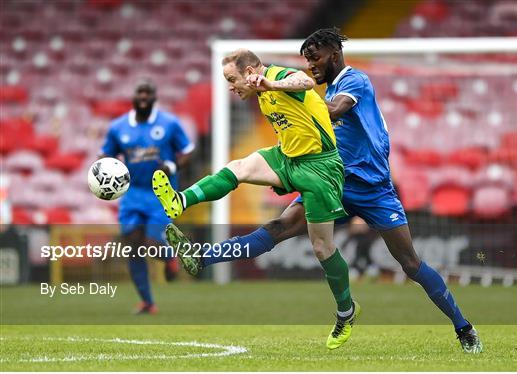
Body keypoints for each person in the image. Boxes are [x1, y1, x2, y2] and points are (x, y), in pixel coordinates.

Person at [164, 29, 483, 354]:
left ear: (334, 53)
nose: (310, 65)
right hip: (330, 181)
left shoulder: (354, 81)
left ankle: (463, 326)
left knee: (410, 263)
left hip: (373, 188)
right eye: (306, 60)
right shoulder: (318, 89)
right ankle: (201, 257)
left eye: (315, 58)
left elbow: (333, 109)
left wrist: (285, 90)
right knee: (278, 229)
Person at [152, 48, 359, 350]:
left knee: (322, 247)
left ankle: (346, 311)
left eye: (232, 79)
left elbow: (305, 82)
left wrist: (271, 84)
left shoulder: (276, 78)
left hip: (321, 167)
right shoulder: (260, 94)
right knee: (238, 167)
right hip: (288, 157)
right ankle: (180, 200)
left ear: (251, 72)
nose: (230, 87)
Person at [100, 78, 194, 314]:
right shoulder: (118, 127)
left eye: (148, 93)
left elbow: (188, 151)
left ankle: (170, 257)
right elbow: (106, 156)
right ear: (133, 97)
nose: (143, 97)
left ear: (154, 97)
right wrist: (102, 172)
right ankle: (147, 302)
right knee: (133, 246)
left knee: (151, 243)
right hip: (132, 192)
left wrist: (172, 167)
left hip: (160, 193)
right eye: (139, 92)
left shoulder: (170, 124)